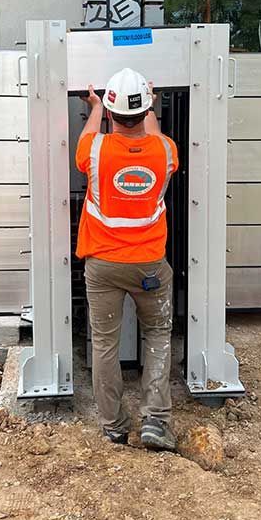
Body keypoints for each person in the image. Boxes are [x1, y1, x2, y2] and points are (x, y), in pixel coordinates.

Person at [76, 68, 179, 450]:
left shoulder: (94, 149)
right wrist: (148, 102)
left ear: (110, 111)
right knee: (157, 334)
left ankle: (113, 424)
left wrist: (93, 107)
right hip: (150, 264)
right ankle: (156, 421)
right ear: (149, 107)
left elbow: (89, 134)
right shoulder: (166, 150)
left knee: (105, 343)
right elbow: (149, 136)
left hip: (102, 265)